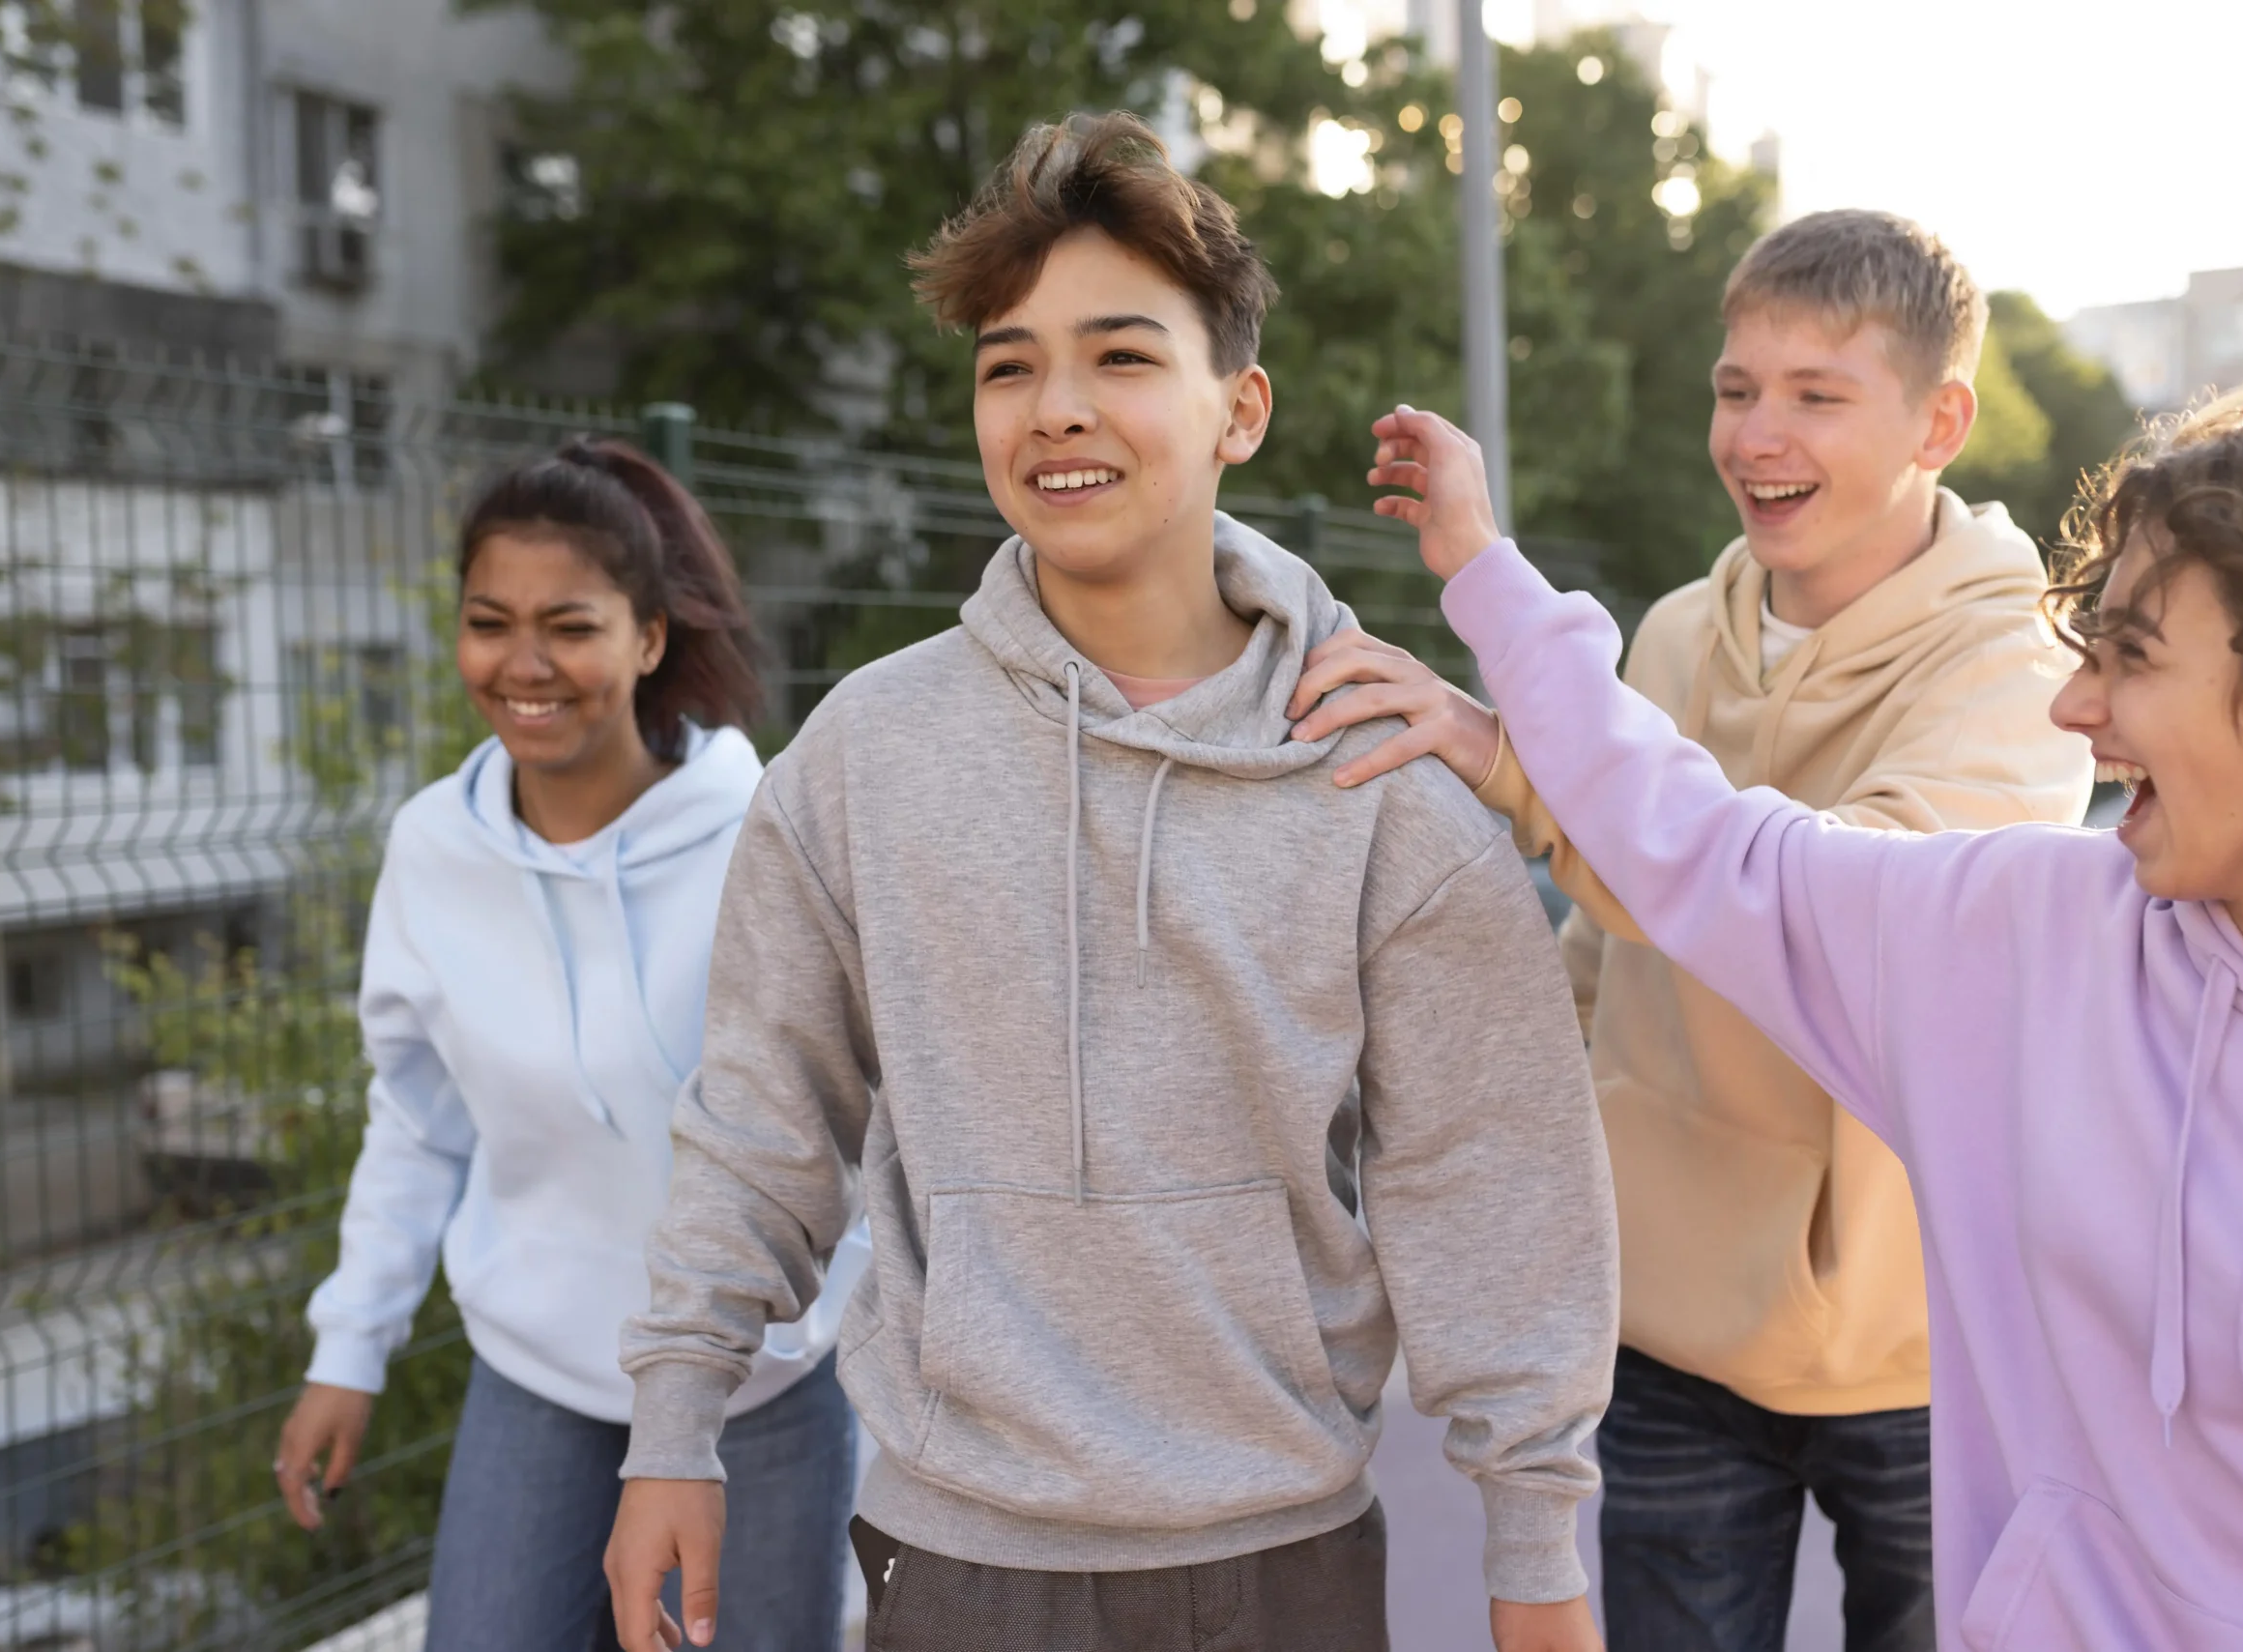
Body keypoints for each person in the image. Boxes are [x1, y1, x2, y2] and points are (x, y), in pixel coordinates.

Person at [602, 113, 1619, 1652]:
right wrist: (676, 1421)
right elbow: (761, 1116)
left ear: (1240, 410)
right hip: (958, 1556)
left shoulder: (1376, 775)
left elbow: (1490, 1179)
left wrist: (1535, 1546)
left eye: (1122, 357)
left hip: (1284, 1558)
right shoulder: (867, 753)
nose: (1055, 409)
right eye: (1009, 366)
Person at [1347, 365, 2243, 1649]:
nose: (2075, 708)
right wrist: (1482, 571)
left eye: (2132, 658)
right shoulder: (2023, 939)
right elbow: (1704, 846)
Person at [1294, 210, 2090, 1650]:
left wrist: (1514, 749)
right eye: (1738, 387)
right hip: (1670, 1332)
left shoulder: (2018, 666)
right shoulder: (1662, 641)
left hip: (1936, 1348)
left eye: (1817, 395)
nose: (1757, 432)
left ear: (1942, 421)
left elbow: (1834, 915)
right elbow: (1592, 977)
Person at [274, 438, 865, 1652]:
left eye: (570, 625)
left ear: (650, 637)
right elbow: (418, 1120)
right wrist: (351, 1346)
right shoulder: (433, 847)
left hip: (759, 1382)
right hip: (541, 1374)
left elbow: (857, 1121)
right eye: (489, 622)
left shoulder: (769, 839)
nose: (524, 664)